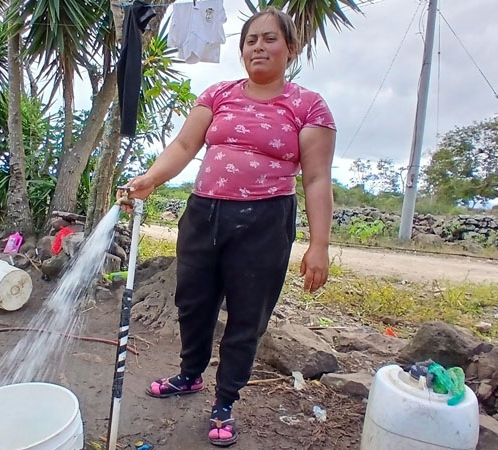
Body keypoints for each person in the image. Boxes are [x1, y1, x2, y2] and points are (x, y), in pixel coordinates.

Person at [119, 7, 336, 447]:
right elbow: (184, 144)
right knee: (192, 302)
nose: (259, 47)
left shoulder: (308, 106)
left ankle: (225, 401)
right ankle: (190, 374)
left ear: (291, 49)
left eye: (270, 39)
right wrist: (150, 179)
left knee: (247, 315)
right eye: (251, 40)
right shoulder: (218, 94)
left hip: (265, 222)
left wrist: (320, 245)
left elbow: (316, 178)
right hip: (204, 214)